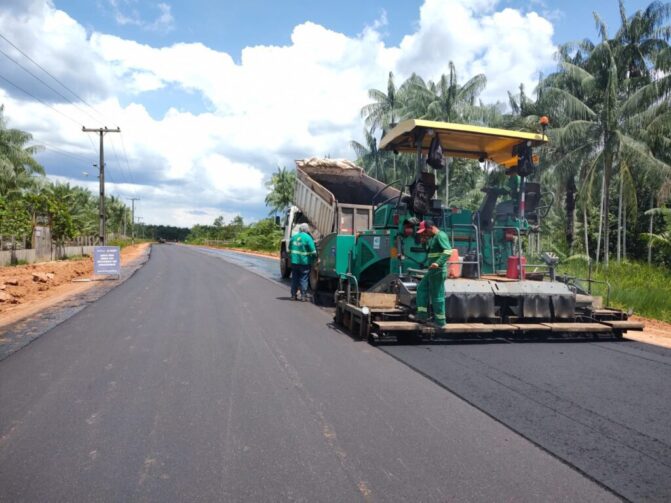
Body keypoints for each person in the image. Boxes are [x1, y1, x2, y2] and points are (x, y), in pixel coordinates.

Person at [416, 219, 452, 326]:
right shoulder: (432, 238)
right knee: (421, 288)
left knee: (437, 295)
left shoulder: (441, 236)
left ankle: (440, 322)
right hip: (432, 271)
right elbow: (429, 252)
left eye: (425, 231)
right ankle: (422, 316)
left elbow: (448, 251)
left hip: (438, 270)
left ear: (430, 228)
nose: (424, 234)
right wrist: (423, 243)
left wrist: (438, 263)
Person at [289, 223, 316, 301]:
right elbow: (313, 251)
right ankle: (303, 296)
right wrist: (314, 259)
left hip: (294, 262)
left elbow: (290, 249)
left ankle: (293, 296)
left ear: (300, 229)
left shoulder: (293, 237)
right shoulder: (308, 238)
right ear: (307, 230)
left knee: (294, 278)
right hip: (305, 262)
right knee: (303, 279)